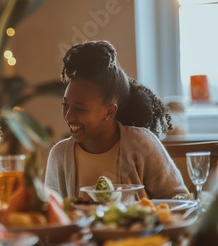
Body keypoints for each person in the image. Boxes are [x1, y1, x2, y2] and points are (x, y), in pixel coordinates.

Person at [44, 40, 189, 199]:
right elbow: (51, 209)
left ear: (109, 111)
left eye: (80, 109)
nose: (69, 116)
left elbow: (178, 199)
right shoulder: (59, 155)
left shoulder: (141, 144)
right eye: (65, 105)